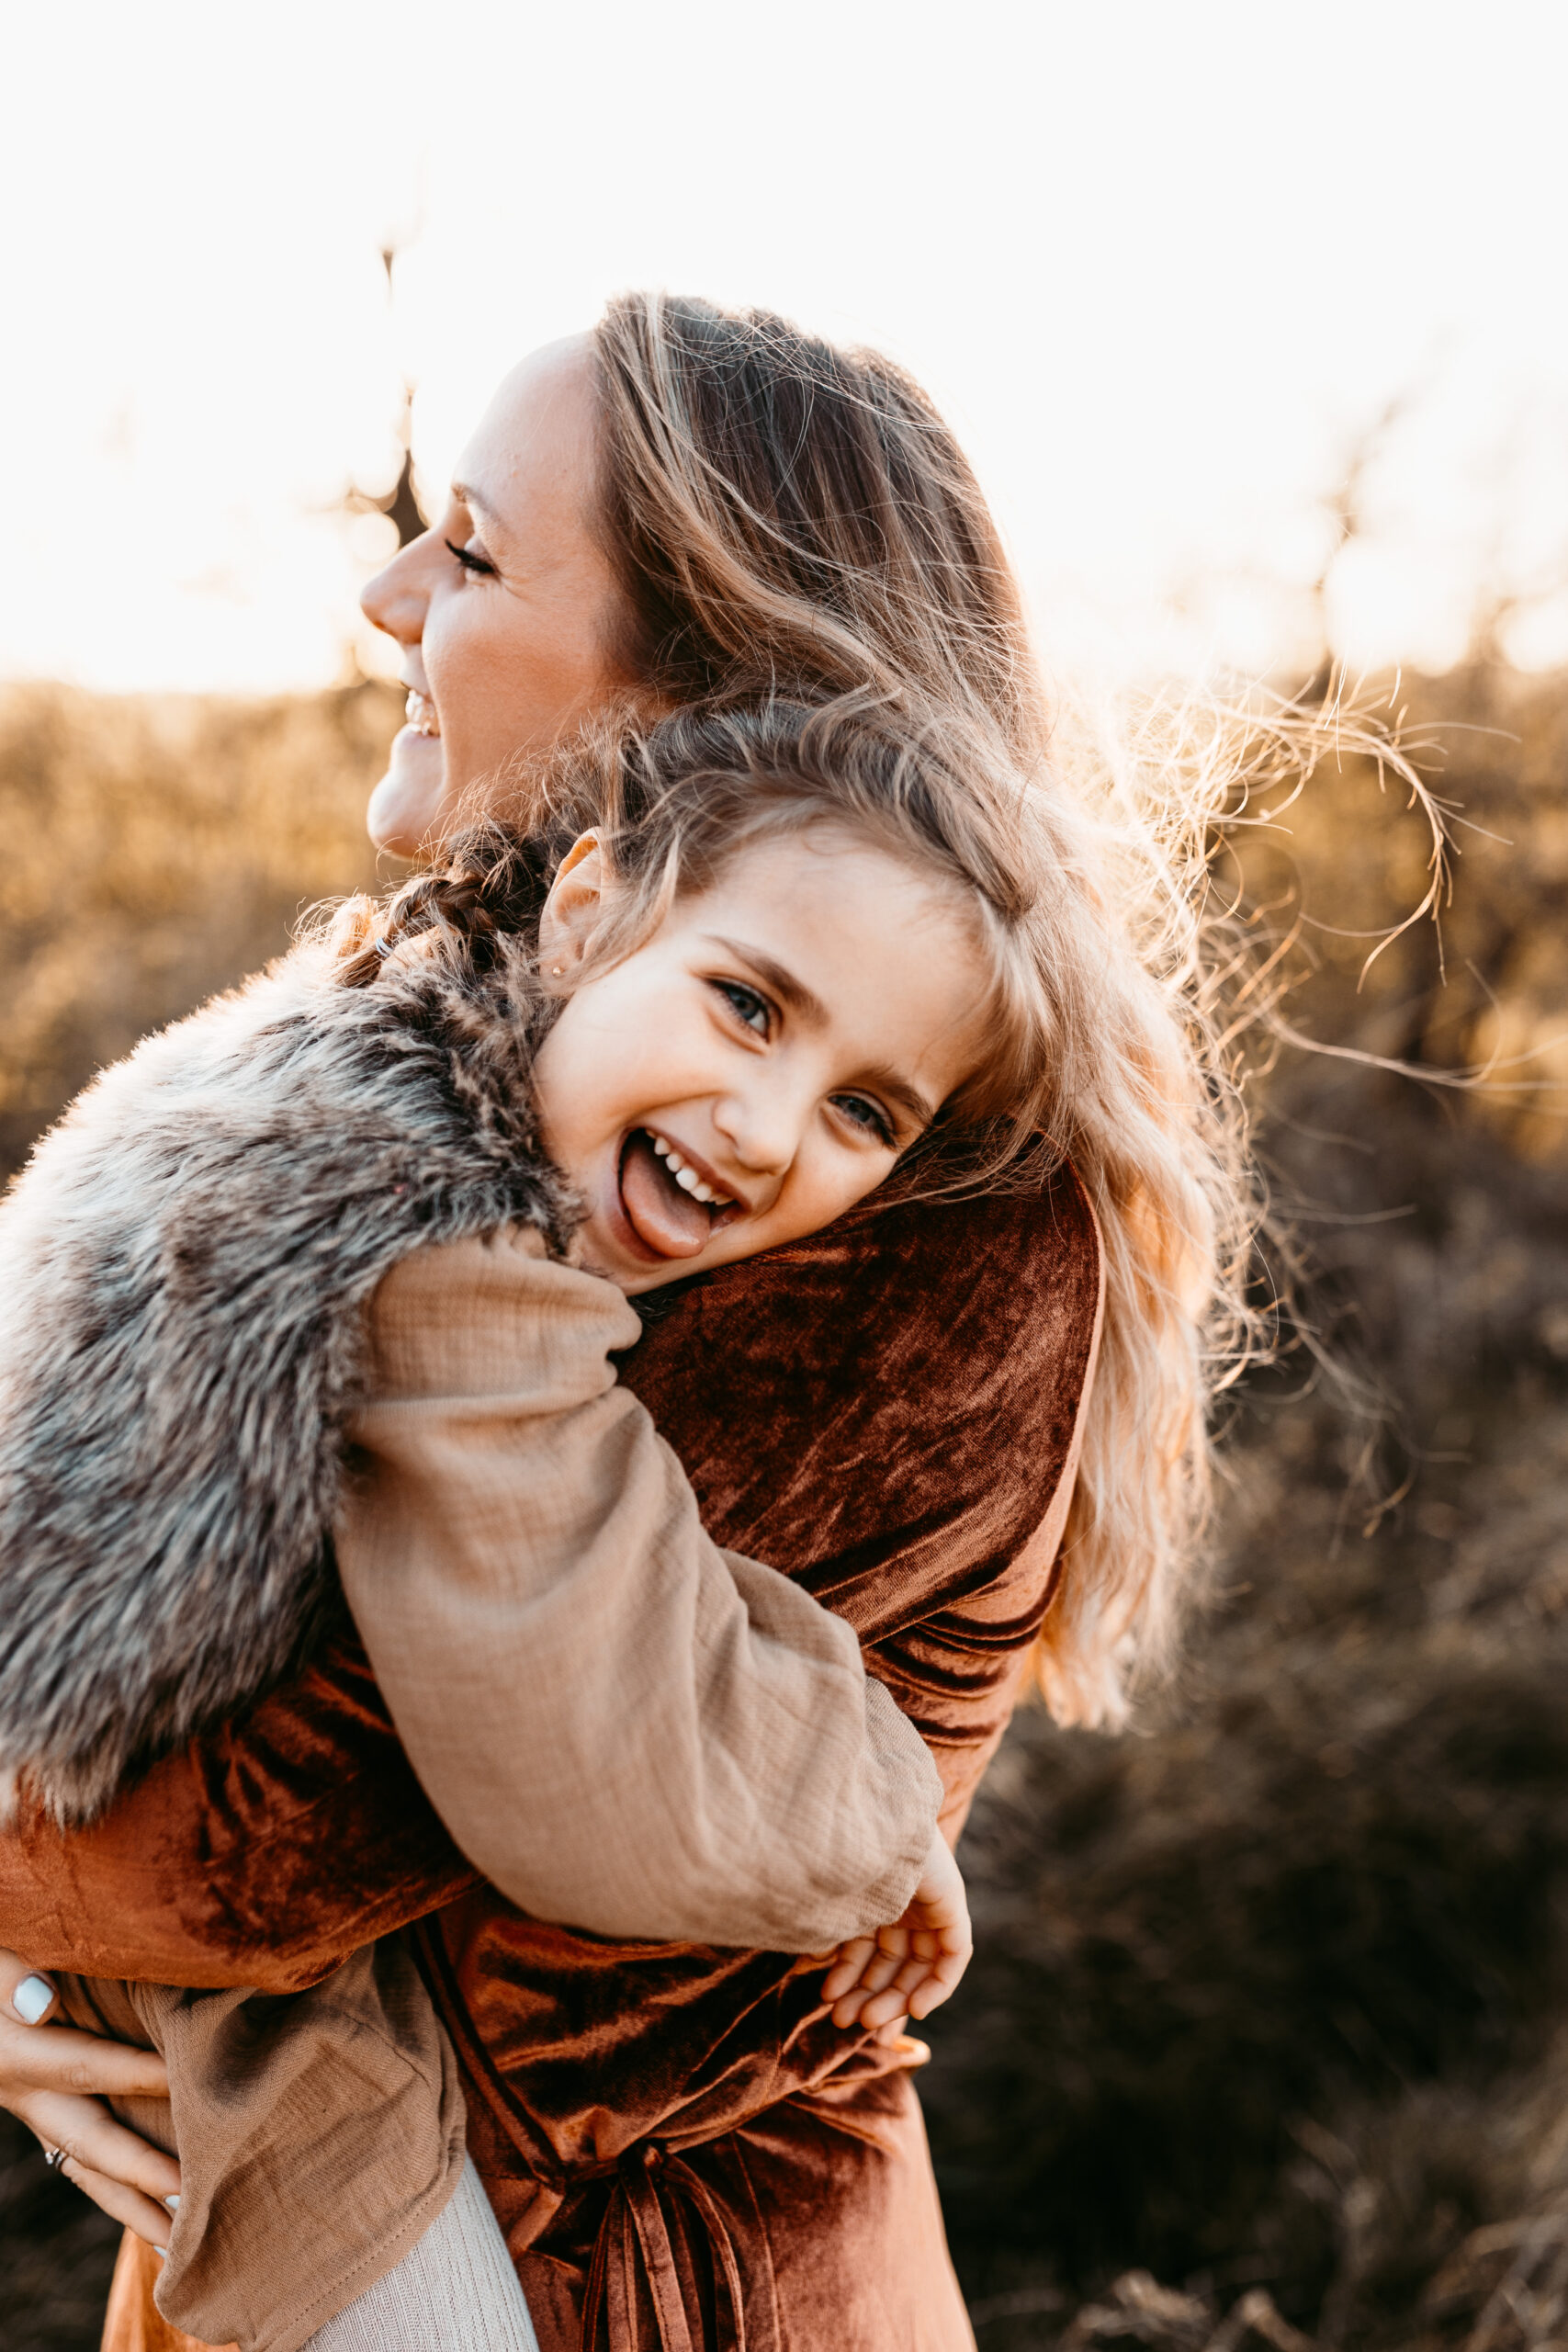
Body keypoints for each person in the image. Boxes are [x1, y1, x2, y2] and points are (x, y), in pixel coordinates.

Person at [0, 294, 1241, 2351]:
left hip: (619, 2280)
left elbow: (265, 1833)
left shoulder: (891, 1213)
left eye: (475, 547)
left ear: (697, 675)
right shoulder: (487, 1043)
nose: (395, 587)